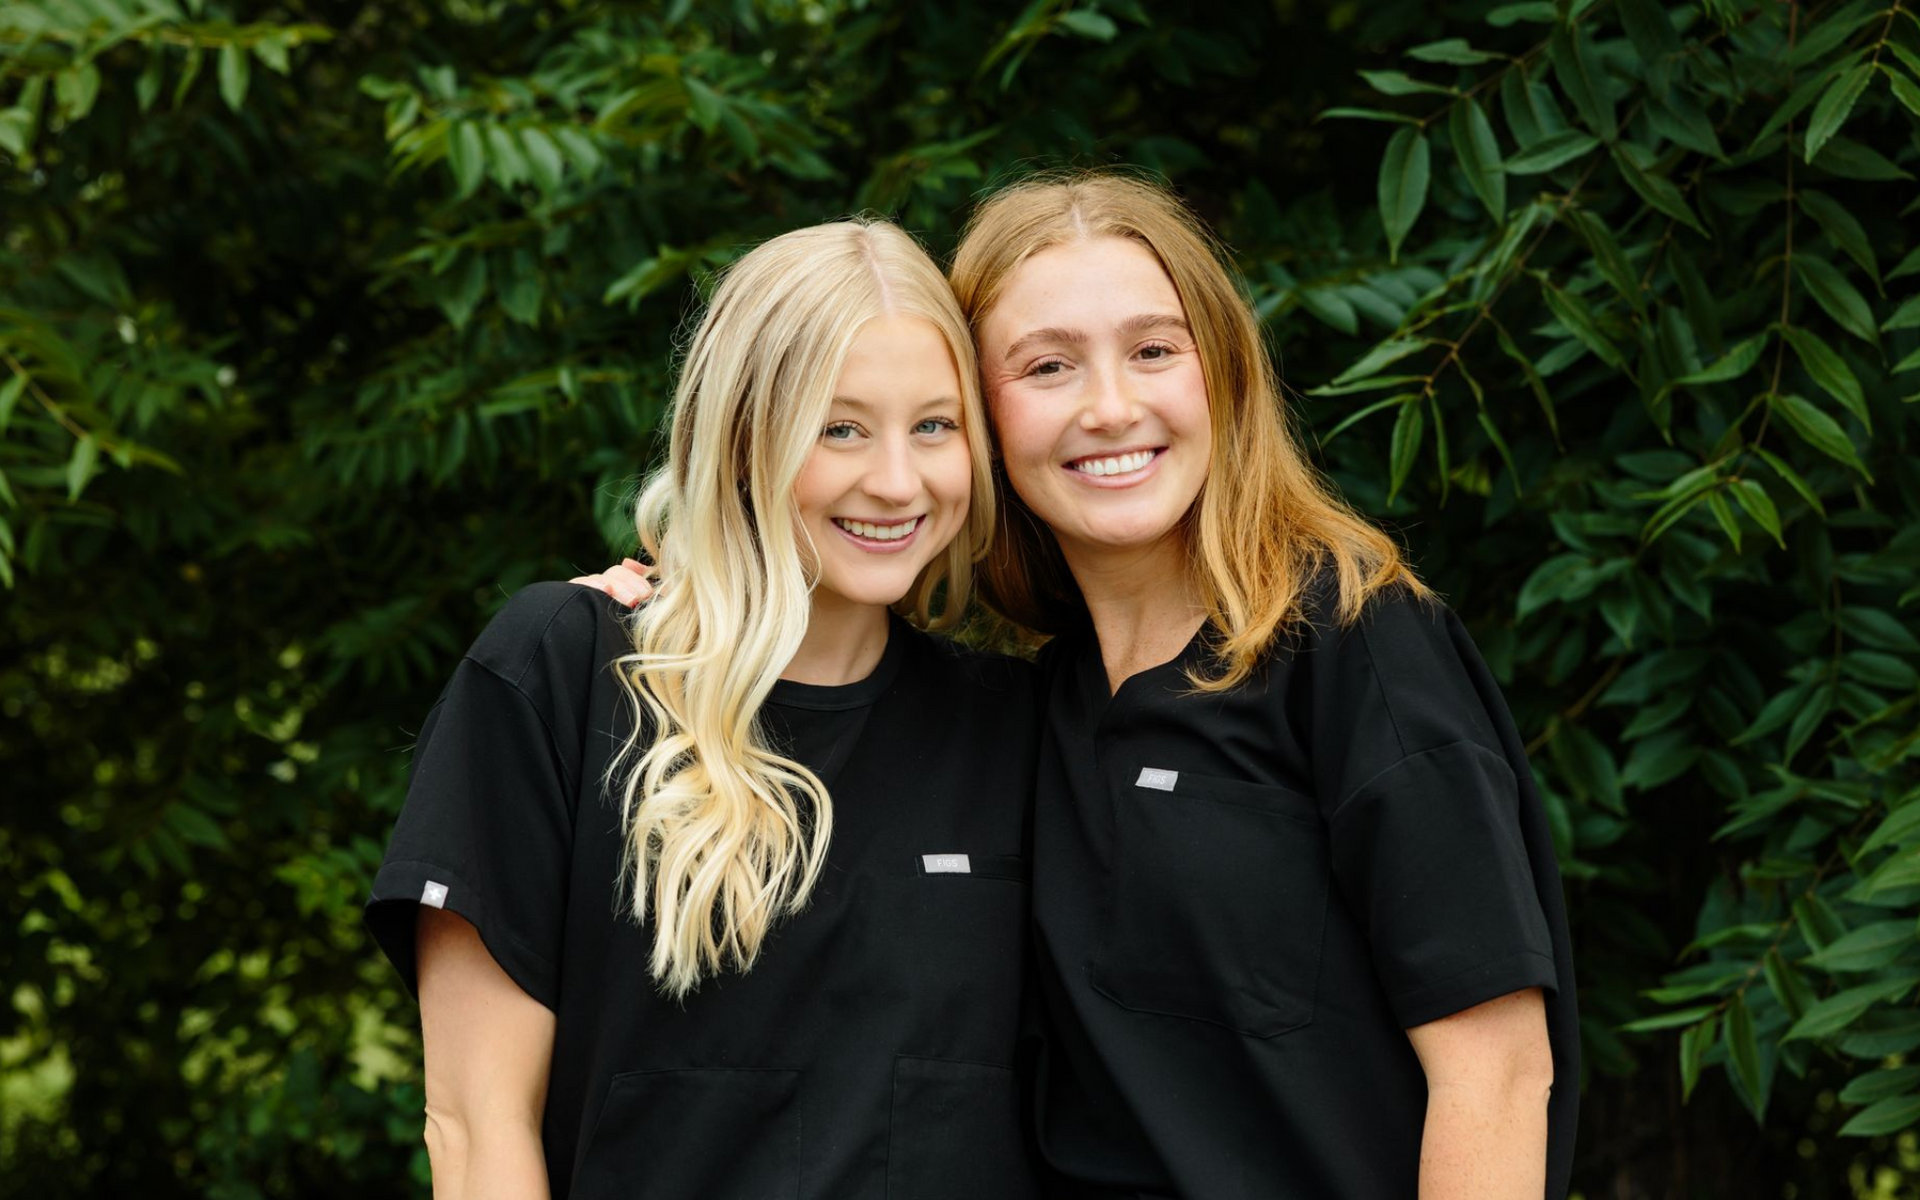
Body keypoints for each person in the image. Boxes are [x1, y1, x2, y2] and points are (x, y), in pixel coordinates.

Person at [581, 171, 1580, 1198]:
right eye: (1048, 366)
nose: (1110, 408)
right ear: (977, 420)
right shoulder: (1020, 716)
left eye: (1153, 350)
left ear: (1222, 373)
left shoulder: (1352, 642)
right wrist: (667, 603)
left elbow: (1499, 1075)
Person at [364, 218, 1044, 1200]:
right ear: (740, 440)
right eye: (839, 427)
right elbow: (475, 1127)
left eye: (934, 426)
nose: (898, 481)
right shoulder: (568, 671)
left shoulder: (1017, 728)